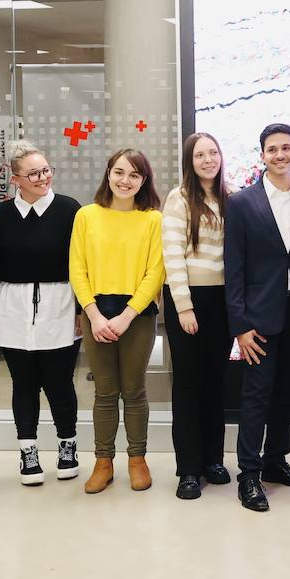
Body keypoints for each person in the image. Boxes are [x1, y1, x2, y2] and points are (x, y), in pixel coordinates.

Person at [225, 123, 290, 513]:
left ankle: (276, 462)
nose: (279, 155)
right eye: (272, 149)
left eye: (286, 148)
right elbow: (234, 268)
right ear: (262, 155)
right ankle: (249, 473)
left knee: (286, 394)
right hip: (258, 317)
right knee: (256, 396)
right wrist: (240, 326)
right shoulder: (243, 203)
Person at [69, 148, 165, 494]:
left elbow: (156, 271)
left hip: (136, 315)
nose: (126, 181)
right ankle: (103, 461)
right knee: (105, 392)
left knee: (134, 390)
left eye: (134, 175)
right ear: (108, 173)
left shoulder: (152, 219)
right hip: (96, 313)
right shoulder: (86, 216)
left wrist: (127, 316)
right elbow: (77, 268)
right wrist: (92, 315)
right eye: (120, 172)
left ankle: (137, 459)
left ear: (144, 181)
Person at [0, 141, 82, 486]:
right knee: (23, 384)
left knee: (59, 383)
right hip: (13, 306)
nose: (43, 178)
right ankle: (28, 452)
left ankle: (67, 446)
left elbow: (83, 264)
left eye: (46, 170)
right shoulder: (2, 215)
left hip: (61, 304)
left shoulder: (70, 210)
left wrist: (84, 310)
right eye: (33, 173)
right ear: (15, 180)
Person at [161, 133, 232, 501]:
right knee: (188, 384)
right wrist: (185, 306)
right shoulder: (179, 198)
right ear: (190, 161)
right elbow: (172, 254)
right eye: (200, 154)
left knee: (215, 382)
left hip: (222, 299)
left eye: (213, 152)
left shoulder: (230, 196)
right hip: (187, 300)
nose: (208, 159)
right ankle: (189, 468)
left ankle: (213, 460)